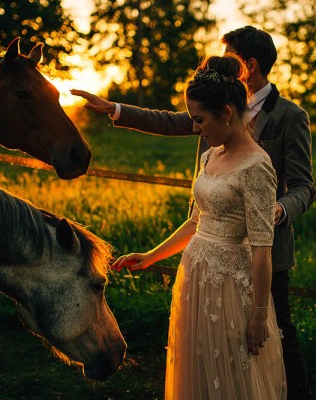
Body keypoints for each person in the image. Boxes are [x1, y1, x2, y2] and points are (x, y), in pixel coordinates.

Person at [71, 25, 314, 400]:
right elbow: (170, 121)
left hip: (263, 253)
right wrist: (115, 109)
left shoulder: (288, 116)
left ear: (249, 64)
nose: (197, 128)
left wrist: (274, 210)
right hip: (204, 260)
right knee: (206, 355)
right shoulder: (211, 113)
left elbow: (303, 186)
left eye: (231, 58)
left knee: (275, 338)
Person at [115, 54, 286, 399]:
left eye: (199, 120)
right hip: (194, 276)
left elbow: (262, 249)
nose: (195, 129)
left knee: (233, 374)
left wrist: (258, 315)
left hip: (230, 287)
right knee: (198, 369)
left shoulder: (257, 166)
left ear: (225, 113)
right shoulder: (210, 156)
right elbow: (196, 222)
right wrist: (151, 256)